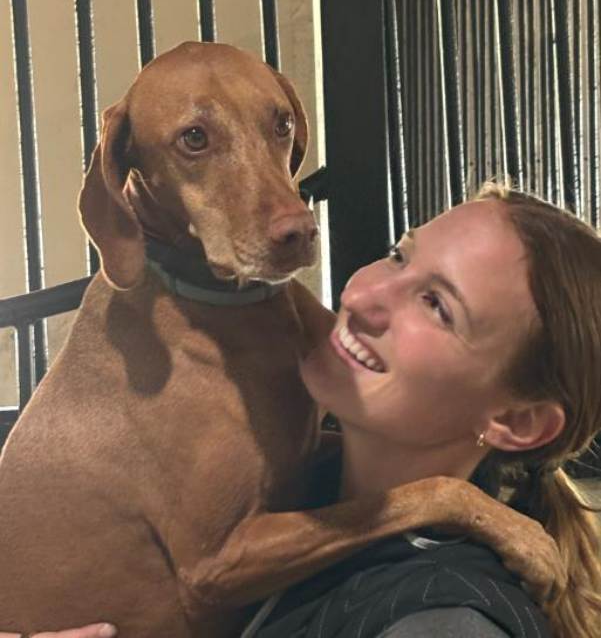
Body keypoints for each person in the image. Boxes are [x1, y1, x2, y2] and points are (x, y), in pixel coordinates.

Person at [3, 183, 601, 637]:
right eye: (398, 255)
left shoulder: (441, 620)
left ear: (518, 422)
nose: (361, 293)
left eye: (437, 306)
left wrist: (445, 501)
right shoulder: (297, 481)